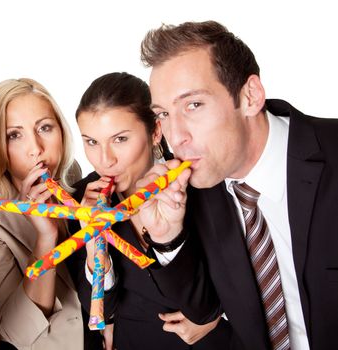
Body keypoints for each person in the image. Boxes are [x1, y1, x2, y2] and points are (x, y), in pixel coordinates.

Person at [139, 20, 338, 350]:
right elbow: (202, 312)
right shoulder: (189, 194)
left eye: (193, 105)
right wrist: (166, 235)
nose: (176, 137)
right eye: (163, 114)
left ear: (250, 96)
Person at [68, 72, 232, 349]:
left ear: (155, 131)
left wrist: (216, 316)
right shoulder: (80, 203)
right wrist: (97, 253)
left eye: (120, 139)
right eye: (91, 142)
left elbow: (247, 276)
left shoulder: (200, 181)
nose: (104, 160)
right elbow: (101, 313)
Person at [0, 78, 99, 350]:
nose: (36, 148)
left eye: (45, 128)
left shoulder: (76, 180)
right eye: (14, 135)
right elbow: (16, 330)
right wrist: (45, 237)